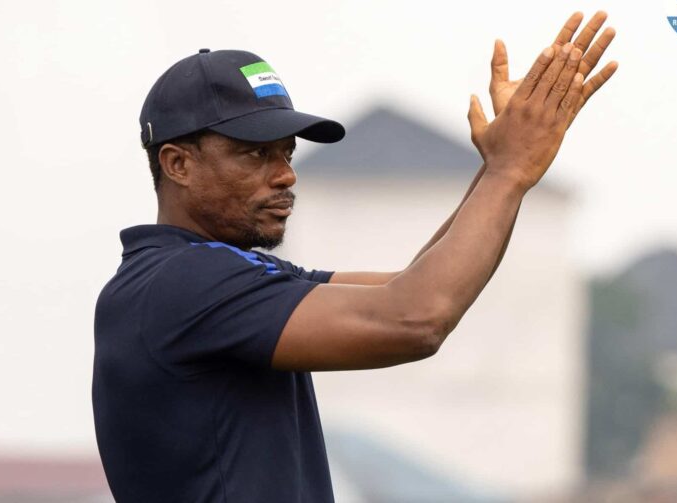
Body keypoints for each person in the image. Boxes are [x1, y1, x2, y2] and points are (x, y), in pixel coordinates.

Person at [92, 11, 618, 503]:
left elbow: (411, 286)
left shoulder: (221, 274)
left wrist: (499, 167)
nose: (286, 174)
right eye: (255, 154)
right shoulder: (183, 282)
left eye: (286, 153)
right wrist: (508, 173)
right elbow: (417, 318)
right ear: (178, 164)